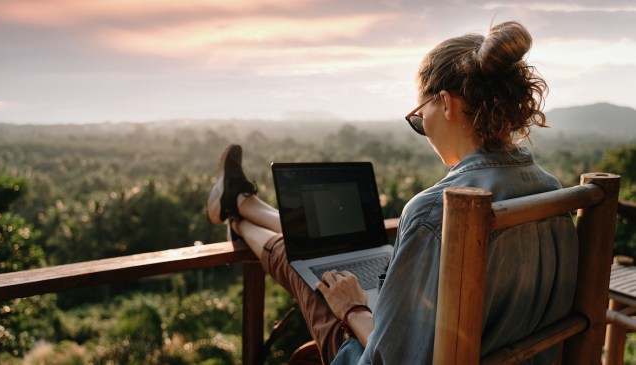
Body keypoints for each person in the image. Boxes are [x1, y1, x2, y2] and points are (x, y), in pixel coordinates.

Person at [206, 20, 578, 364]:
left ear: (446, 103)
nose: (423, 128)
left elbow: (391, 360)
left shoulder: (437, 211)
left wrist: (353, 309)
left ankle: (238, 213)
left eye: (419, 116)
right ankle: (241, 205)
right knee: (318, 255)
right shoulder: (552, 192)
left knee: (307, 265)